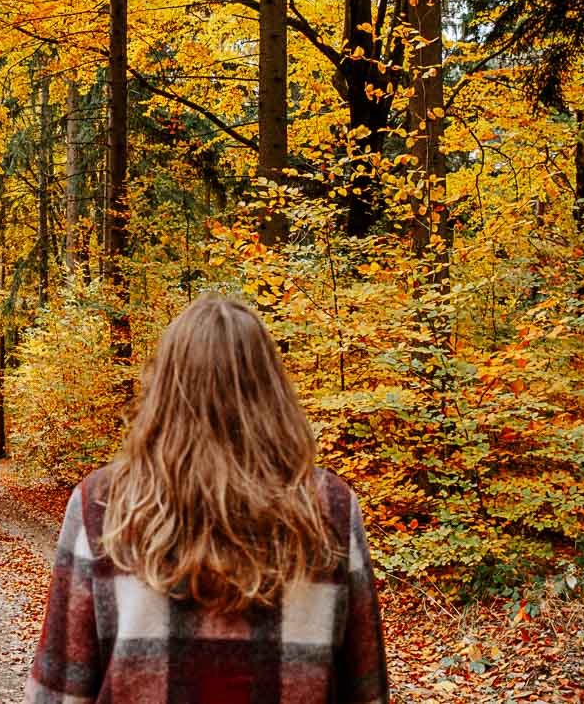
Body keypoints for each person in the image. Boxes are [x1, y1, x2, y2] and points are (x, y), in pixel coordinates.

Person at [24, 295, 388, 704]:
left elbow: (59, 692)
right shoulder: (331, 506)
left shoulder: (103, 504)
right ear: (272, 390)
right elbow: (367, 692)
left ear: (164, 388)